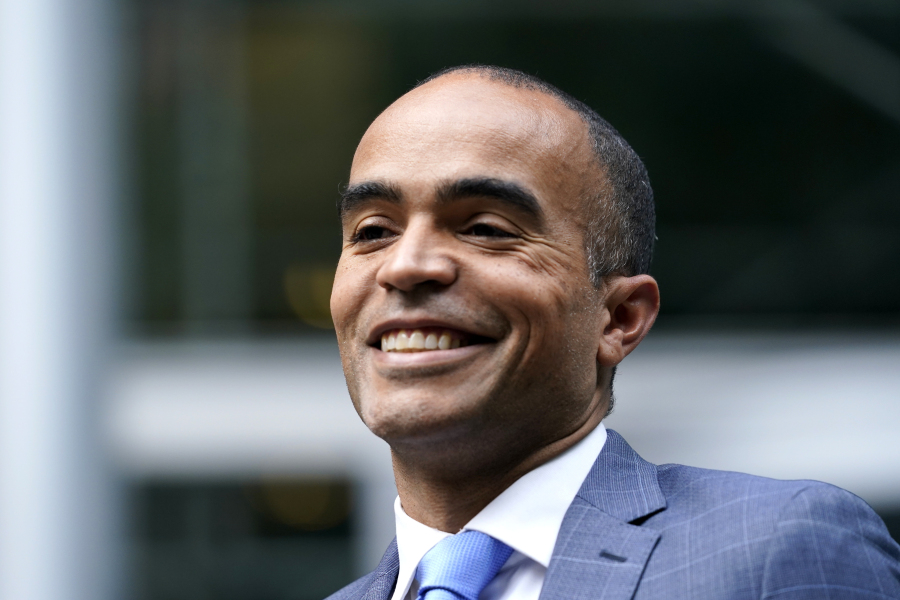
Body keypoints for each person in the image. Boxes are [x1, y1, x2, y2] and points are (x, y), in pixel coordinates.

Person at [325, 65, 900, 600]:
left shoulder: (781, 549)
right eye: (374, 230)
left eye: (484, 227)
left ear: (620, 317)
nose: (404, 265)